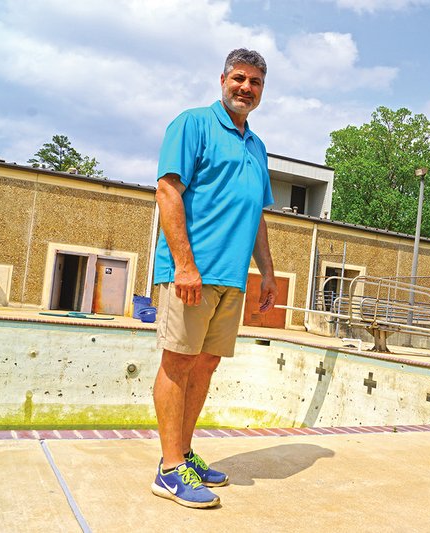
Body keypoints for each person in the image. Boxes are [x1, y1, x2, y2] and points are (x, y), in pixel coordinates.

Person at [150, 48, 277, 509]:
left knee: (205, 364)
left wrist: (267, 272)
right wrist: (184, 264)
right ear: (222, 79)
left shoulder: (257, 146)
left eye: (256, 82)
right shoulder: (193, 124)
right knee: (178, 362)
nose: (246, 88)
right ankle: (168, 470)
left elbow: (256, 215)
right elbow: (168, 190)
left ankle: (183, 454)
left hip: (232, 278)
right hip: (192, 274)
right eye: (239, 78)